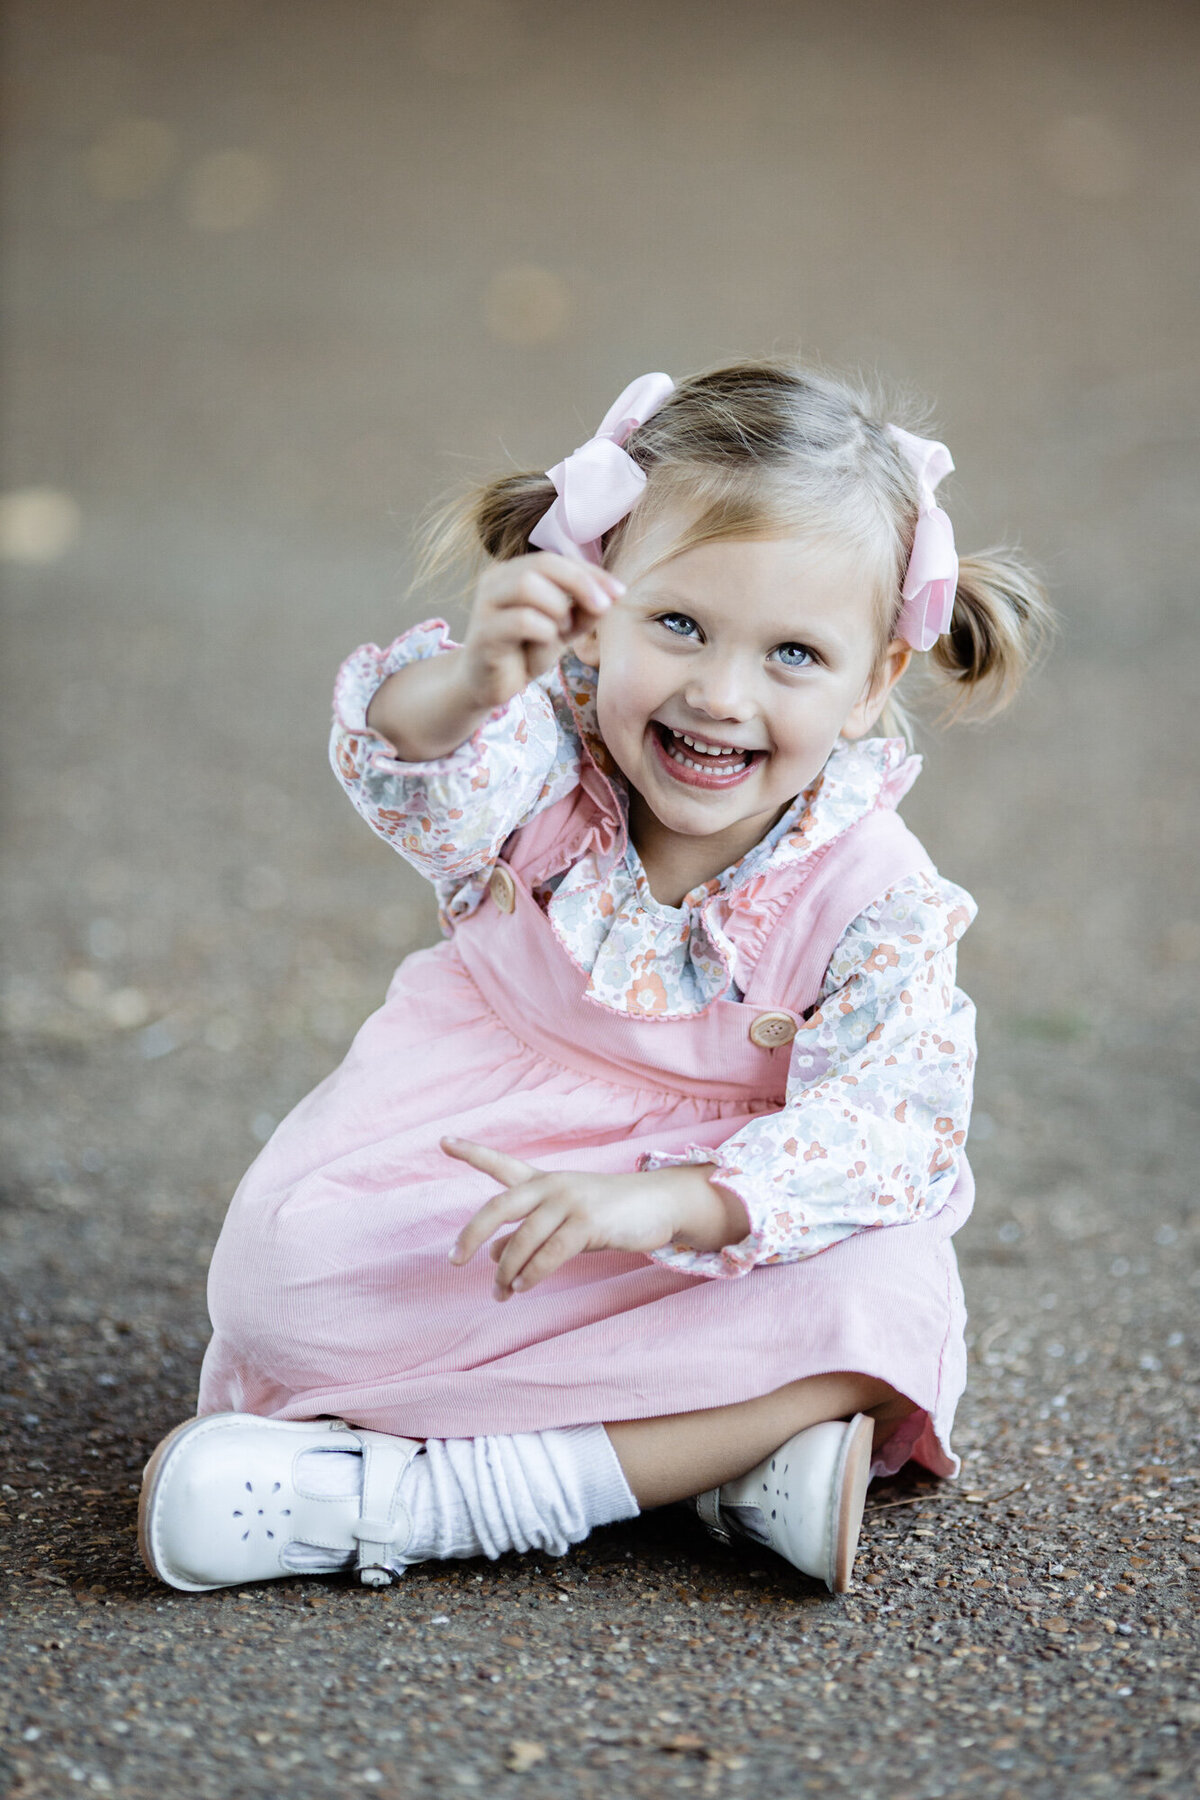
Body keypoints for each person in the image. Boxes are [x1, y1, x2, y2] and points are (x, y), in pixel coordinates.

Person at [138, 359, 1050, 1596]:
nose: (720, 695)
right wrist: (470, 679)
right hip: (487, 1163)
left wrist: (671, 1203)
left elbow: (893, 1129)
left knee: (890, 1307)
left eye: (794, 654)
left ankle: (423, 1501)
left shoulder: (874, 894)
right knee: (281, 1289)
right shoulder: (540, 755)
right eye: (678, 624)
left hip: (711, 1219)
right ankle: (717, 1463)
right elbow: (409, 772)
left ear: (874, 683)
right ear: (597, 602)